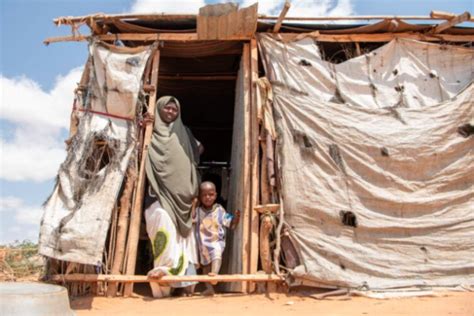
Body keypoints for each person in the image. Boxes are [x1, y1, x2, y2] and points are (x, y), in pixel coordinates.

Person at [144, 96, 203, 298]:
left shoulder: (184, 132)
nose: (170, 112)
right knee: (164, 228)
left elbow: (199, 148)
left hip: (183, 201)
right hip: (159, 195)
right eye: (167, 108)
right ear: (159, 109)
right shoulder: (149, 131)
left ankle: (179, 284)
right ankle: (164, 280)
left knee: (183, 242)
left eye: (174, 110)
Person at [194, 181, 240, 295]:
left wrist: (236, 218)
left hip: (216, 241)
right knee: (205, 266)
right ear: (200, 196)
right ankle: (209, 288)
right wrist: (194, 205)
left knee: (216, 254)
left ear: (215, 195)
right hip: (203, 244)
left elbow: (228, 220)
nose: (207, 197)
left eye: (210, 194)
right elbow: (192, 220)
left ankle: (214, 274)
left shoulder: (219, 209)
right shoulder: (198, 211)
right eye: (204, 195)